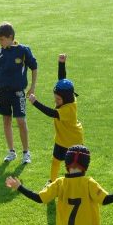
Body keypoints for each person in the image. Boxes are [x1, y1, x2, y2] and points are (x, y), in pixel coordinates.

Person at [28, 53, 84, 182]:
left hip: (73, 140)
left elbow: (51, 113)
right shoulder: (68, 98)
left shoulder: (68, 109)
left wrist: (35, 102)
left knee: (73, 166)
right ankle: (51, 182)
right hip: (61, 139)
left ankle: (75, 184)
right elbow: (62, 80)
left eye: (58, 99)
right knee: (55, 161)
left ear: (66, 98)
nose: (56, 101)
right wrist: (61, 63)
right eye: (55, 98)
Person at [0, 21, 38, 164]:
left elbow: (34, 67)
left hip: (18, 93)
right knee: (6, 120)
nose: (0, 42)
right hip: (2, 92)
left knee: (21, 121)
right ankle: (11, 151)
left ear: (10, 36)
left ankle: (26, 153)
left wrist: (32, 86)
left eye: (2, 39)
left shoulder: (23, 50)